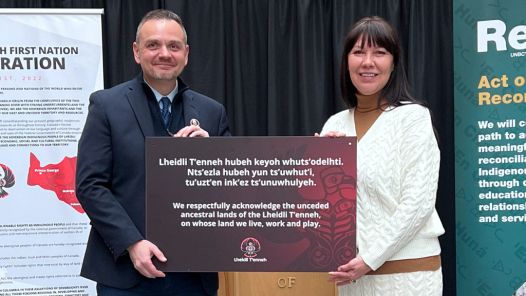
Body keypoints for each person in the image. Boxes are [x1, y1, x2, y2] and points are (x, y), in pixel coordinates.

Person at [75, 9, 230, 296]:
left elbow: (232, 189)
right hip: (125, 274)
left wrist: (213, 157)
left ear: (186, 53)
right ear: (136, 51)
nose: (164, 53)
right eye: (153, 45)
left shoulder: (212, 112)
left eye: (174, 46)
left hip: (195, 277)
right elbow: (90, 185)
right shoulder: (106, 106)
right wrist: (132, 243)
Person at [320, 16, 445, 295]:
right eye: (358, 52)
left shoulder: (413, 119)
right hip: (352, 278)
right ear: (346, 61)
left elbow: (418, 203)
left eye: (379, 52)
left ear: (394, 62)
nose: (368, 62)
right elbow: (323, 211)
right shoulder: (334, 125)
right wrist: (317, 167)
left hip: (409, 275)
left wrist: (369, 258)